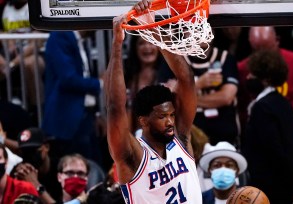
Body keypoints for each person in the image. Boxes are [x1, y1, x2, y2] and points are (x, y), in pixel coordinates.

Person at [104, 2, 202, 203]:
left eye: (172, 115)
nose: (170, 122)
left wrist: (151, 28)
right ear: (144, 121)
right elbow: (115, 107)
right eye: (162, 116)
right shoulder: (133, 156)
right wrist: (117, 44)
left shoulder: (180, 138)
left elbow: (186, 80)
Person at [242, 49, 293, 204]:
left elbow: (276, 150)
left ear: (266, 79)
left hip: (273, 187)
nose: (248, 77)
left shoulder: (263, 107)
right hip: (287, 183)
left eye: (252, 74)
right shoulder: (282, 102)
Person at [42, 31, 104, 166]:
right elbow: (68, 79)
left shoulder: (81, 40)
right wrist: (100, 83)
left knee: (94, 168)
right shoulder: (59, 36)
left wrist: (96, 113)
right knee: (76, 170)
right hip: (68, 120)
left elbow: (84, 74)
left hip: (86, 116)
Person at [238, 26, 293, 142]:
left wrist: (280, 115)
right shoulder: (242, 68)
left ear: (277, 40)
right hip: (260, 140)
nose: (262, 57)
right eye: (257, 50)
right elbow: (241, 110)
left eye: (266, 50)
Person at [186, 40, 240, 146]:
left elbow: (226, 97)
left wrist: (186, 98)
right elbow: (170, 97)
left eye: (201, 28)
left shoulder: (225, 57)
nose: (199, 34)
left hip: (225, 135)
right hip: (191, 137)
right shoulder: (177, 59)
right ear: (185, 32)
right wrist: (197, 84)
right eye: (194, 29)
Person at [0, 0, 45, 113]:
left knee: (30, 64)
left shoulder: (36, 7)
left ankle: (37, 110)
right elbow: (3, 32)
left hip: (36, 53)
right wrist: (8, 41)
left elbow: (37, 41)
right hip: (10, 53)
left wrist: (14, 63)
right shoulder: (5, 8)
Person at [12, 127, 61, 203]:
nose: (30, 156)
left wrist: (36, 185)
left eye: (33, 151)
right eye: (25, 152)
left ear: (46, 147)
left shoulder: (61, 169)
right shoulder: (19, 172)